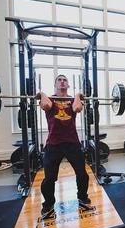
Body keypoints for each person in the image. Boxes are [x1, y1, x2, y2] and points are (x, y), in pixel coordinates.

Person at [37, 74, 90, 219]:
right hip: (53, 144)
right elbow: (46, 106)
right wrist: (41, 93)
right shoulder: (49, 100)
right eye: (59, 80)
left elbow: (77, 108)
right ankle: (48, 204)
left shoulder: (74, 100)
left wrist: (78, 94)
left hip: (72, 143)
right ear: (55, 84)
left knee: (82, 174)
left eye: (64, 80)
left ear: (68, 85)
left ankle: (83, 198)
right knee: (49, 179)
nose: (62, 82)